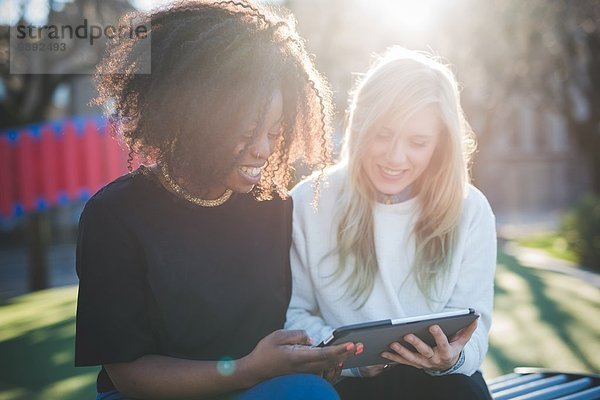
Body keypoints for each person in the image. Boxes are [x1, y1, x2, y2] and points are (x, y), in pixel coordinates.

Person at [74, 1, 360, 399]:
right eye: (246, 132)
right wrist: (245, 370)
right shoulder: (114, 216)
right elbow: (128, 375)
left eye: (274, 134)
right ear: (195, 118)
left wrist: (314, 358)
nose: (262, 150)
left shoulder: (275, 205)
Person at [285, 46, 497, 399]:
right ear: (359, 125)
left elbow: (477, 329)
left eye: (417, 142)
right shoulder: (310, 201)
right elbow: (293, 314)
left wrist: (451, 357)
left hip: (444, 386)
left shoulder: (470, 209)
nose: (395, 157)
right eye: (382, 134)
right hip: (349, 384)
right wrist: (353, 359)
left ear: (440, 144)